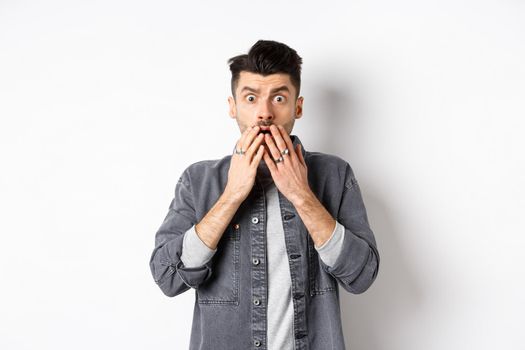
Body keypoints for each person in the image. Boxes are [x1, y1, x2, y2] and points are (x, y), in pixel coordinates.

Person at [149, 39, 380, 350]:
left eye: (279, 97)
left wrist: (301, 195)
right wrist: (232, 195)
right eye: (250, 98)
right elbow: (168, 277)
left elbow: (361, 276)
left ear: (297, 106)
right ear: (233, 107)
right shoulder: (198, 180)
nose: (264, 113)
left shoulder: (334, 176)